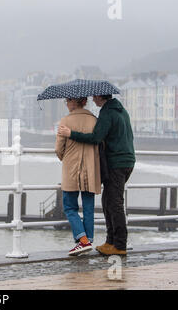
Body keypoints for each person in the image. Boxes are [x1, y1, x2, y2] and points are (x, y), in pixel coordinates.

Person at [58, 94, 136, 256]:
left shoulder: (107, 113)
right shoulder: (120, 111)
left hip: (117, 163)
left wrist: (70, 133)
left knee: (114, 203)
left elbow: (96, 138)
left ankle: (119, 245)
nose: (93, 99)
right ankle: (109, 241)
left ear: (101, 96)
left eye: (95, 97)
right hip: (126, 161)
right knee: (107, 201)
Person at [55, 97, 101, 256]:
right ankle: (88, 239)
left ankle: (82, 240)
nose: (66, 104)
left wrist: (65, 158)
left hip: (71, 169)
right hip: (90, 170)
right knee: (88, 207)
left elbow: (58, 149)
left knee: (69, 206)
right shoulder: (95, 121)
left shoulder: (65, 121)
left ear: (75, 102)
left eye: (67, 101)